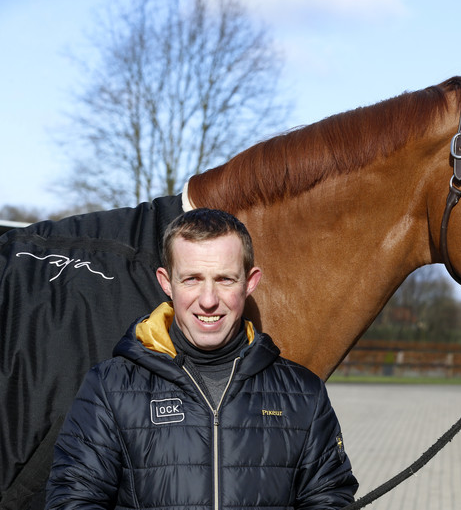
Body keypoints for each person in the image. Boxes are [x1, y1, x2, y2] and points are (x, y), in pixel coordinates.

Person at [46, 208, 358, 510]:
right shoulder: (109, 388)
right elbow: (73, 501)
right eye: (192, 279)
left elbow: (330, 499)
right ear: (167, 282)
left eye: (224, 279)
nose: (208, 301)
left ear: (250, 283)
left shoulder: (304, 394)